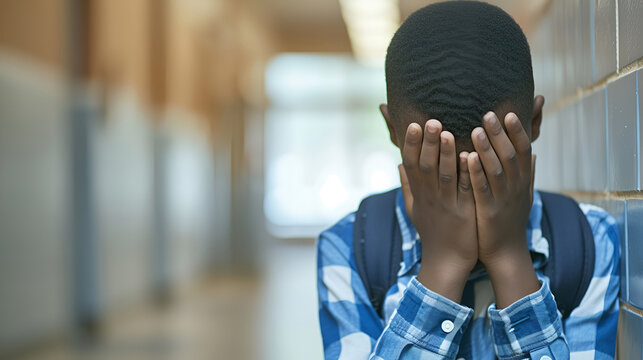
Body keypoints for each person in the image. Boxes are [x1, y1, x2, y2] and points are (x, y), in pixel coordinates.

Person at [316, 2, 620, 359]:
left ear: (534, 122)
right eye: (440, 169)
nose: (466, 194)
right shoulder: (349, 249)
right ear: (391, 129)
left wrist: (509, 256)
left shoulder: (589, 241)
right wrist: (443, 265)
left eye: (490, 166)